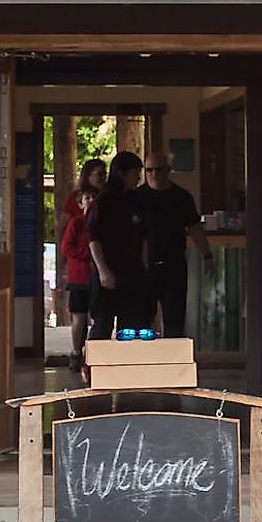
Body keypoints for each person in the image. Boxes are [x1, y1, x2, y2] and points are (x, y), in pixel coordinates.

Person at [136, 148, 204, 340]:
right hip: (144, 267)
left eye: (158, 170)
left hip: (173, 265)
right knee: (141, 319)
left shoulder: (181, 197)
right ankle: (143, 362)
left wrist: (206, 254)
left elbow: (195, 227)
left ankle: (173, 362)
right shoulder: (137, 197)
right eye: (149, 170)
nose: (154, 174)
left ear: (168, 171)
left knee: (174, 319)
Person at [87, 151, 152, 339]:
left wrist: (144, 266)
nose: (138, 177)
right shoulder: (104, 201)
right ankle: (95, 367)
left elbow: (144, 235)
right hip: (108, 272)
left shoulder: (136, 199)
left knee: (131, 329)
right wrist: (103, 271)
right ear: (121, 174)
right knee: (102, 327)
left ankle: (126, 367)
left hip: (133, 272)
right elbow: (93, 237)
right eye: (135, 173)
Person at [55, 156, 108, 368]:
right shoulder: (75, 211)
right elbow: (65, 236)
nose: (103, 178)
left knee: (99, 315)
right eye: (99, 174)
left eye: (105, 174)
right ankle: (76, 352)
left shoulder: (107, 198)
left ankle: (95, 356)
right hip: (80, 271)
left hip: (99, 270)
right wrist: (76, 256)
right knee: (79, 315)